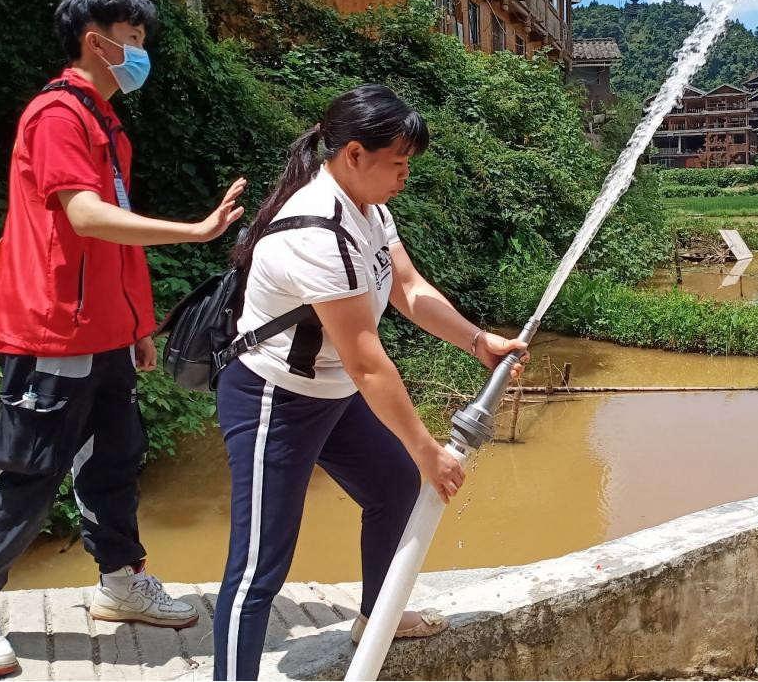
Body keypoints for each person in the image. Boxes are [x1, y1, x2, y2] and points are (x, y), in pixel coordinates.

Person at [0, 0, 247, 678]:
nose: (141, 52)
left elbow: (114, 242)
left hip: (104, 330)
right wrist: (195, 230)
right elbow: (83, 217)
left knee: (115, 458)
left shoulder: (104, 123)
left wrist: (137, 324)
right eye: (133, 38)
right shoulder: (57, 116)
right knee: (30, 470)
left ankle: (120, 582)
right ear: (95, 39)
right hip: (55, 329)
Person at [211, 85, 528, 681]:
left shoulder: (370, 209)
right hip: (273, 400)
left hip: (329, 393)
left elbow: (408, 289)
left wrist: (478, 340)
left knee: (393, 487)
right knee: (259, 567)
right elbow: (366, 360)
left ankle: (377, 615)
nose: (405, 176)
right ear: (354, 153)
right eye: (399, 163)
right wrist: (428, 448)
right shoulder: (316, 232)